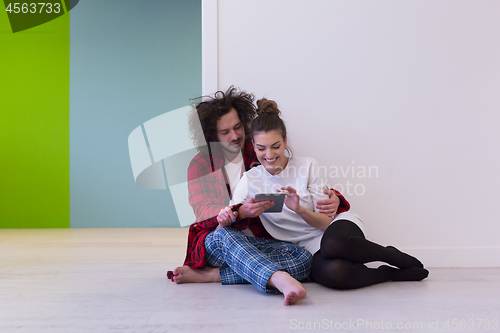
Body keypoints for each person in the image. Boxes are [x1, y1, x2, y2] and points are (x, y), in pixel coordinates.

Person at [226, 98, 429, 290]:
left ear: (285, 141)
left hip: (335, 230)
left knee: (333, 244)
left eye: (276, 146)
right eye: (262, 148)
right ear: (253, 146)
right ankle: (388, 274)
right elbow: (230, 217)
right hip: (304, 248)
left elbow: (325, 223)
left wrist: (299, 209)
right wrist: (243, 212)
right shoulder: (250, 180)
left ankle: (391, 255)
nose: (269, 155)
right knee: (336, 274)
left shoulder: (307, 166)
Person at [168, 87, 346, 305]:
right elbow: (203, 211)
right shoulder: (200, 165)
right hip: (218, 241)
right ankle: (278, 279)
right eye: (225, 132)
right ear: (212, 135)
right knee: (226, 234)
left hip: (258, 244)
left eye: (237, 127)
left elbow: (298, 178)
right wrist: (237, 212)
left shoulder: (259, 150)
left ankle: (213, 276)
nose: (235, 136)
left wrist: (334, 197)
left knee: (303, 259)